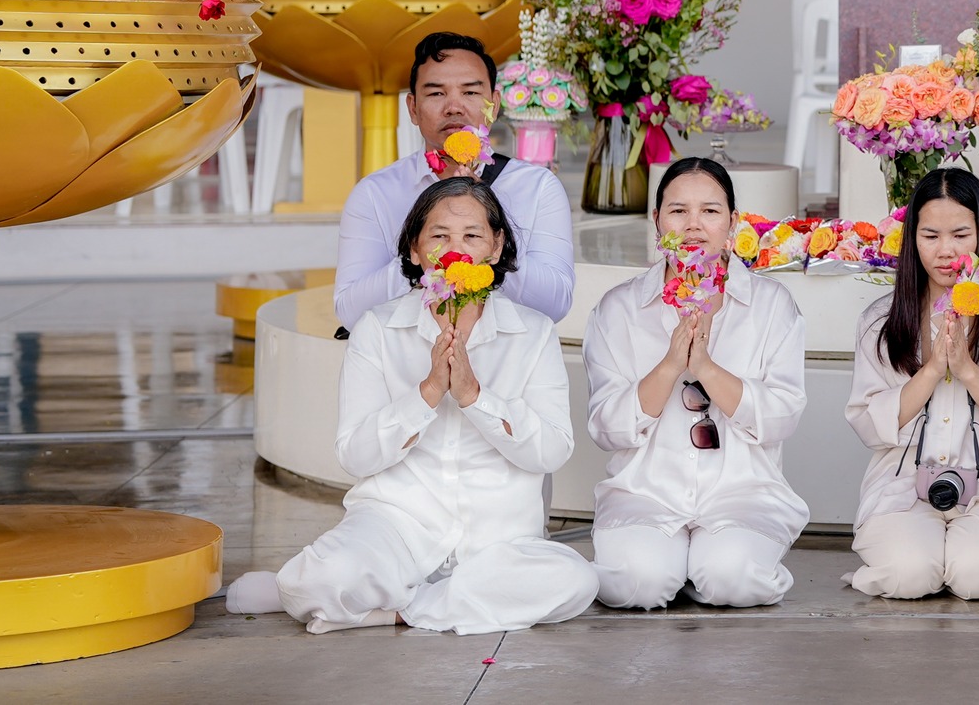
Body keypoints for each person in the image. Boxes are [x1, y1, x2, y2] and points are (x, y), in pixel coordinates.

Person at [226, 178, 596, 633]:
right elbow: (355, 455)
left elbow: (552, 451)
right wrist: (425, 395)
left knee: (574, 580)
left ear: (497, 248)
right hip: (397, 525)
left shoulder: (534, 332)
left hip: (499, 542)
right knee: (322, 578)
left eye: (472, 236)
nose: (455, 250)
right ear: (415, 250)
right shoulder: (377, 329)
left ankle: (393, 611)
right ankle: (425, 599)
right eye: (439, 236)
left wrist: (474, 398)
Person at [583, 157, 809, 609]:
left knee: (734, 579)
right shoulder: (619, 308)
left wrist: (705, 366)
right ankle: (674, 567)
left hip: (742, 492)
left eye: (710, 211)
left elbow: (781, 416)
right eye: (677, 210)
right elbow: (606, 428)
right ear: (657, 220)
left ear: (733, 222)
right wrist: (670, 364)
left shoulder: (771, 306)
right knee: (635, 584)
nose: (693, 225)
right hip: (645, 493)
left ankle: (699, 567)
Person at [845, 168, 979, 600]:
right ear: (912, 239)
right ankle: (933, 556)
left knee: (977, 574)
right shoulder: (879, 322)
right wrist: (931, 368)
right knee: (909, 574)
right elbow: (867, 425)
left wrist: (969, 372)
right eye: (930, 236)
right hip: (902, 485)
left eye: (960, 234)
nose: (946, 251)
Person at [335, 32, 574, 329]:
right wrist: (428, 250)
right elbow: (348, 311)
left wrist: (487, 228)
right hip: (408, 361)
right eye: (436, 93)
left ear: (494, 105)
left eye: (471, 93)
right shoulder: (375, 193)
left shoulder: (537, 187)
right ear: (412, 108)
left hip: (507, 360)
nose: (454, 107)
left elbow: (556, 304)